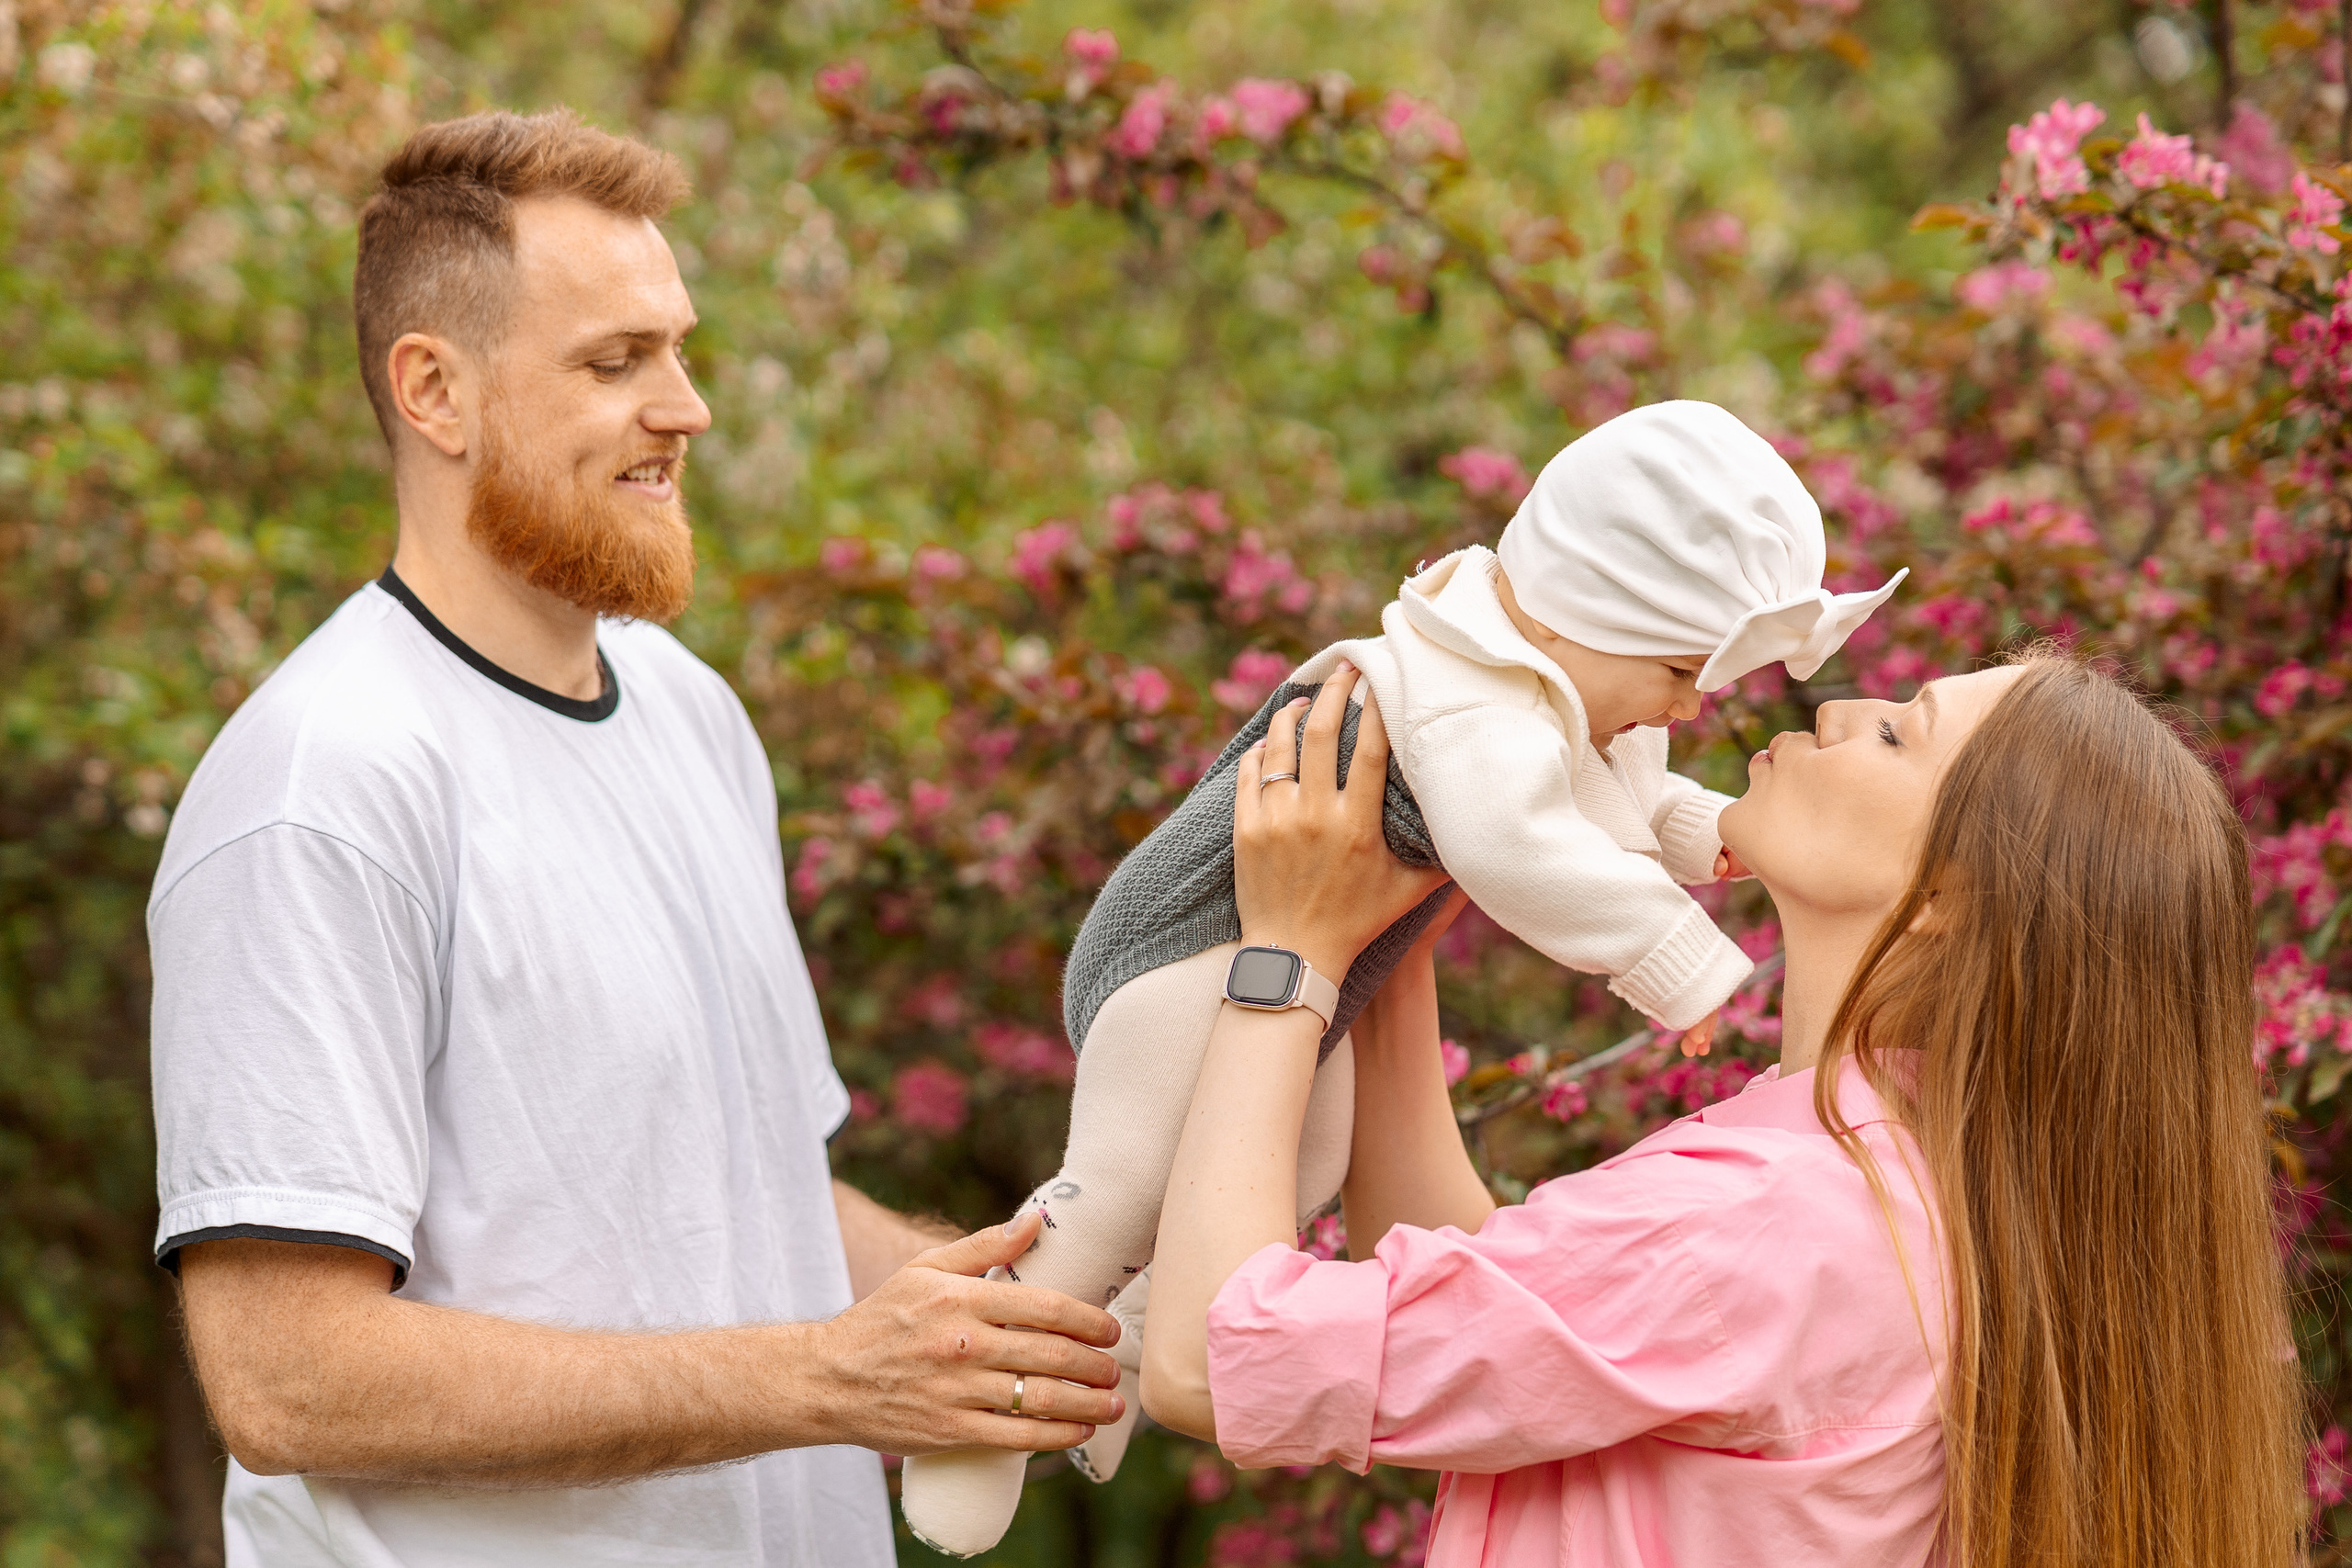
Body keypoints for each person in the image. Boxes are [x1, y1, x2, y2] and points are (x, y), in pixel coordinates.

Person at [147, 108, 1122, 1567]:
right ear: (436, 390)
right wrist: (827, 1375)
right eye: (615, 362)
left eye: (678, 348)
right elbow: (286, 1374)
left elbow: (750, 1198)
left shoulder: (689, 712)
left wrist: (1020, 1309)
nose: (687, 409)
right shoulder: (321, 786)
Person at [903, 402, 1905, 1557]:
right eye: (1682, 670)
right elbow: (1522, 844)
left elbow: (1596, 797)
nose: (1693, 708)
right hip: (1187, 957)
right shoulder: (1477, 706)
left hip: (1298, 959)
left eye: (1895, 738)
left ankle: (1118, 1343)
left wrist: (1699, 828)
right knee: (1122, 1182)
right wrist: (1672, 960)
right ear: (1597, 613)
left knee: (1297, 1169)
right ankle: (988, 1399)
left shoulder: (1550, 686)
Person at [1140, 654, 2304, 1566]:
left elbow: (1206, 1360)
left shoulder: (1767, 1215)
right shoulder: (1906, 1177)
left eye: (1899, 732)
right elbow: (1506, 1310)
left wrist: (1286, 954)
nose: (1843, 706)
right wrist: (1394, 916)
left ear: (1949, 896)